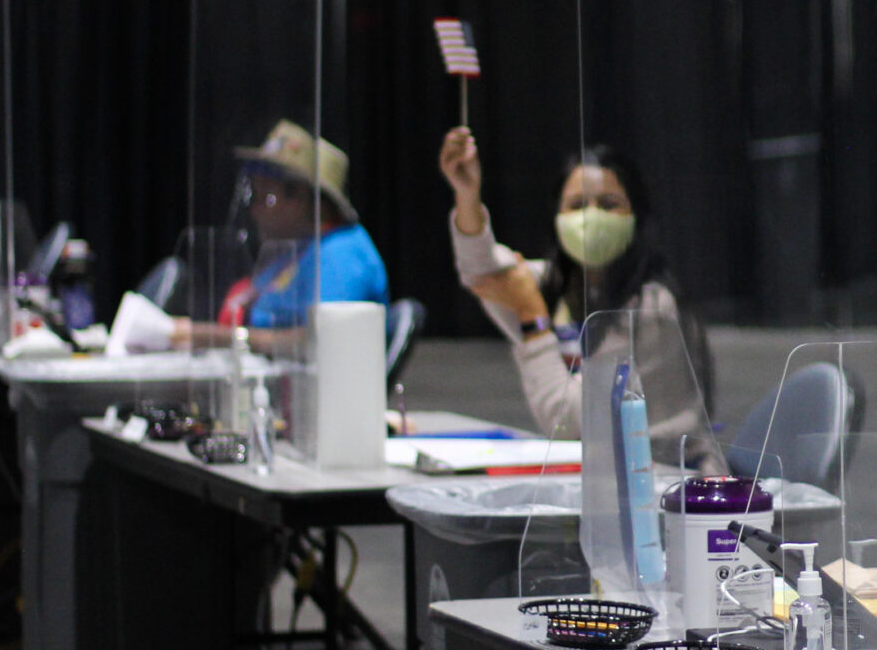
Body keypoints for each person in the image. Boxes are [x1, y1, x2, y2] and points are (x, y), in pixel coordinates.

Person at [438, 126, 711, 448]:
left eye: (608, 204)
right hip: (592, 469)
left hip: (664, 471)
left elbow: (568, 422)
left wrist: (531, 316)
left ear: (636, 215)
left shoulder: (652, 305)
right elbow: (482, 272)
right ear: (557, 216)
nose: (591, 216)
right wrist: (467, 195)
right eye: (577, 204)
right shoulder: (550, 285)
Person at [171, 119, 387, 351]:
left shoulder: (341, 255)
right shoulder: (294, 252)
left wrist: (223, 337)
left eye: (266, 197)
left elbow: (320, 340)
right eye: (253, 196)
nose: (254, 210)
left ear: (302, 199)